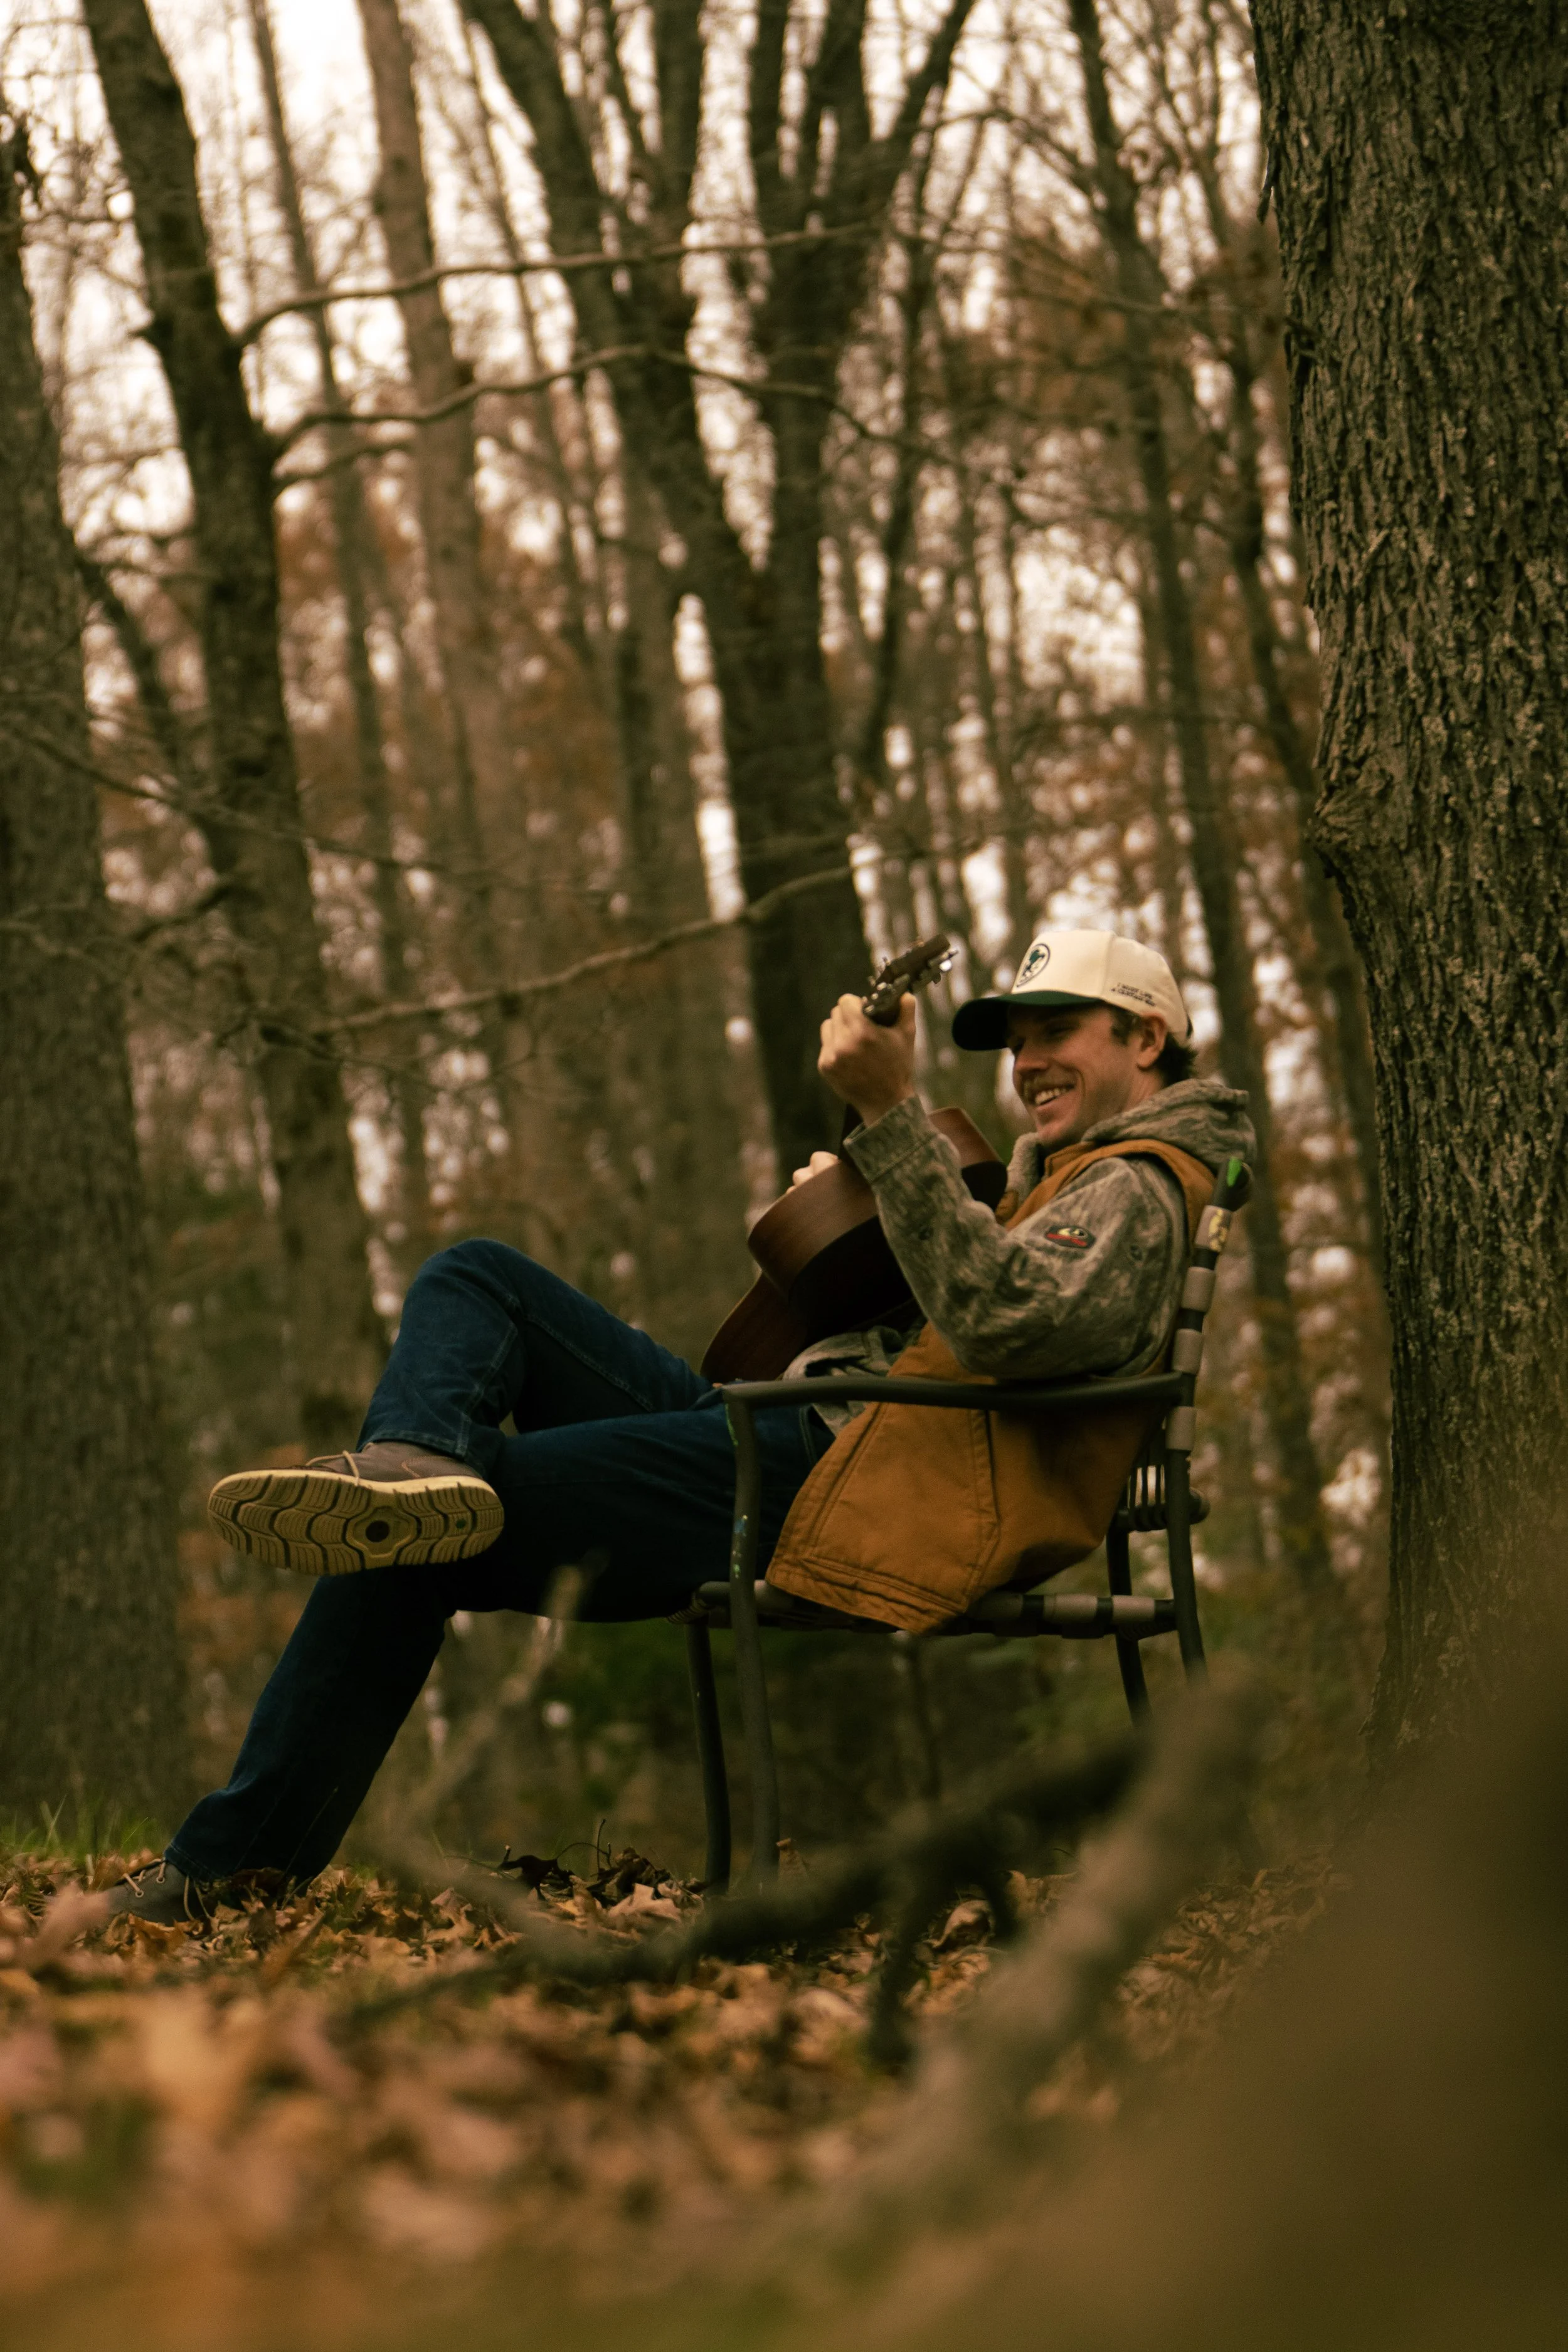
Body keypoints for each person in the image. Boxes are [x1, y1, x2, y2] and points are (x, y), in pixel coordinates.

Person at [109, 928, 1253, 1922]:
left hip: (838, 1479)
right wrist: (870, 1214)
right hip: (815, 1436)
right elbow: (970, 1321)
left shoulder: (1139, 1185)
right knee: (478, 1280)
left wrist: (893, 1121)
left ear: (1147, 1037)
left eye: (1060, 1028)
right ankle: (422, 1456)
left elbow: (1009, 1327)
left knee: (414, 1537)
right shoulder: (1052, 1183)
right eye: (1015, 1037)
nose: (1029, 1059)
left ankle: (231, 1869)